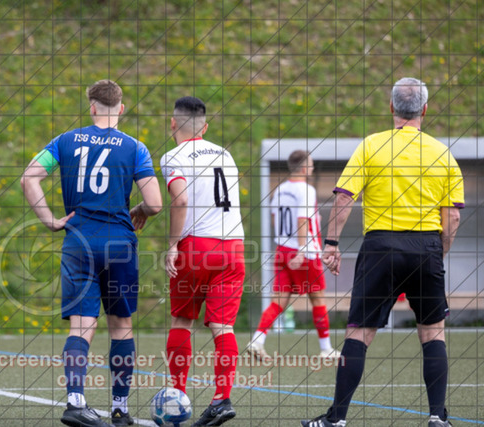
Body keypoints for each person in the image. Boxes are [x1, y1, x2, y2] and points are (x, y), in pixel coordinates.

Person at [302, 78, 463, 427]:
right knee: (432, 333)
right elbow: (451, 217)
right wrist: (438, 252)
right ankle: (437, 417)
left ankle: (336, 419)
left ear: (391, 107)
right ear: (424, 110)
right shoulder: (443, 153)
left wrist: (331, 245)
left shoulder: (371, 146)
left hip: (380, 249)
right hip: (426, 247)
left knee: (359, 333)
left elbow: (344, 198)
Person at [21, 79, 162, 427]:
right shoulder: (135, 147)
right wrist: (140, 209)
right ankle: (120, 409)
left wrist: (50, 220)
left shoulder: (64, 141)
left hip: (79, 241)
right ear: (121, 108)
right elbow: (156, 203)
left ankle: (75, 402)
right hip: (118, 243)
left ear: (92, 107)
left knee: (82, 324)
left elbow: (29, 178)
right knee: (121, 326)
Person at [158, 96, 246, 427]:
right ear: (205, 127)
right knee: (223, 327)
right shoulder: (225, 154)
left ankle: (177, 397)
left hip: (197, 248)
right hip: (234, 248)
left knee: (182, 321)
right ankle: (221, 399)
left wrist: (172, 244)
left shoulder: (173, 156)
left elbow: (180, 199)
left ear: (172, 123)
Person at [247, 150, 341, 361]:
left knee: (278, 301)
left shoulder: (280, 190)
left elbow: (275, 219)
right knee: (318, 299)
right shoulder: (306, 190)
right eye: (311, 165)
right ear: (305, 168)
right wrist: (302, 249)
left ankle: (257, 340)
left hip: (282, 250)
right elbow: (301, 220)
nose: (312, 168)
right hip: (304, 252)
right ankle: (326, 348)